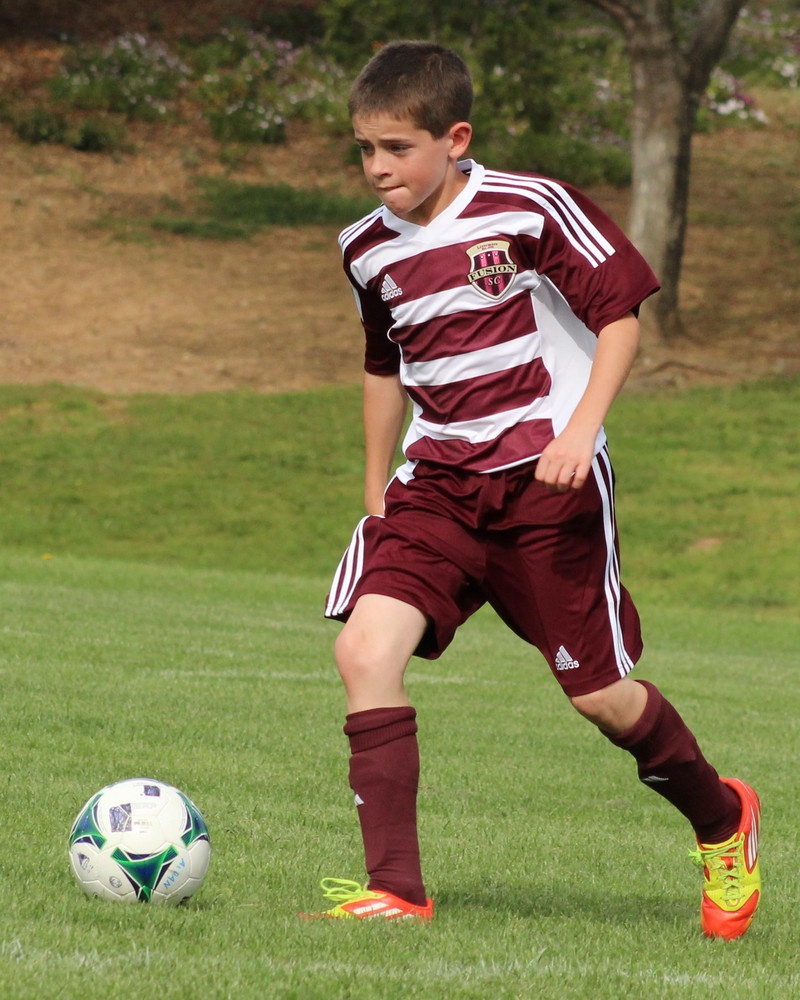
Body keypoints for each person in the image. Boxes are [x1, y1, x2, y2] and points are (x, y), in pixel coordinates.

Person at [304, 40, 761, 939]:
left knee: (602, 699)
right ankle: (397, 891)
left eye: (397, 148)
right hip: (438, 489)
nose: (378, 168)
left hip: (545, 488)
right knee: (364, 653)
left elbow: (620, 316)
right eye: (365, 149)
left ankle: (722, 818)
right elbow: (382, 366)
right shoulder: (365, 249)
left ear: (455, 139)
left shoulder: (529, 206)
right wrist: (374, 481)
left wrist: (580, 430)